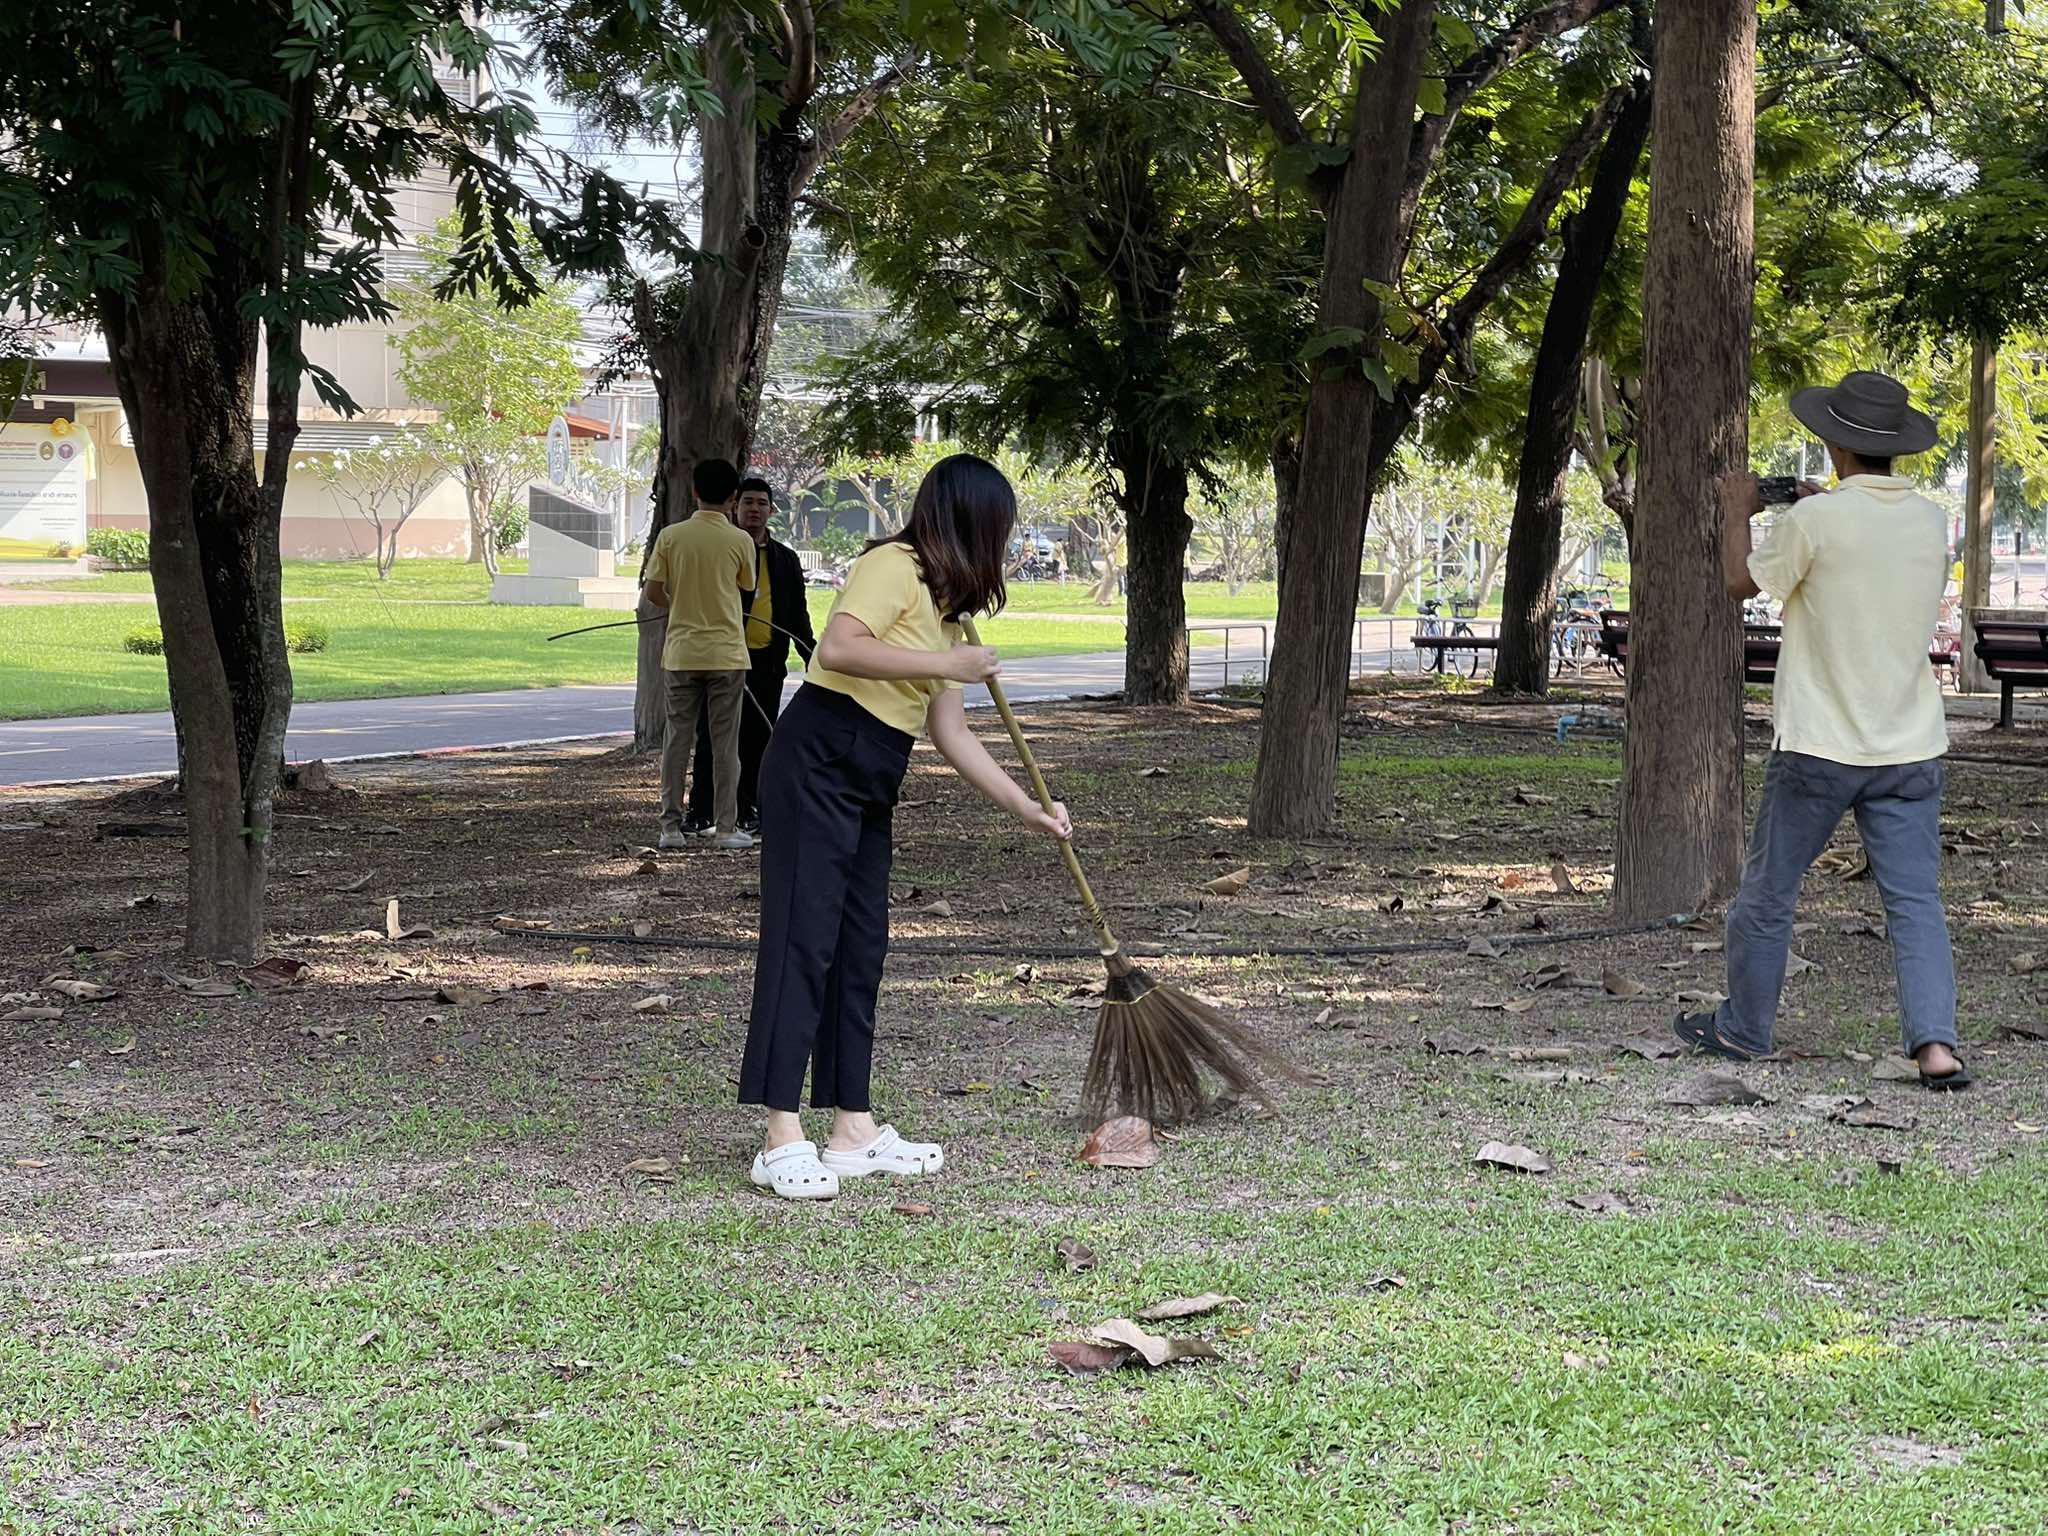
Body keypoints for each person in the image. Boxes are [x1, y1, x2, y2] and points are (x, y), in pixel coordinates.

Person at [738, 453, 1074, 1199]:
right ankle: (779, 1134)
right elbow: (838, 647)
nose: (1005, 545)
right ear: (970, 521)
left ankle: (852, 1130)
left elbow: (951, 735)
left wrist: (1027, 807)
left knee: (860, 947)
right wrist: (946, 664)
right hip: (818, 757)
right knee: (804, 939)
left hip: (872, 774)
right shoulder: (892, 565)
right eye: (1000, 529)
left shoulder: (947, 611)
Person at [1675, 369, 1967, 1089]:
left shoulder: (1815, 522)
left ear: (1833, 443)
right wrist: (1819, 509)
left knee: (1770, 890)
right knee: (1914, 901)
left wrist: (1741, 510)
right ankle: (1936, 1047)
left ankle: (1743, 1031)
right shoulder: (1931, 523)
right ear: (1895, 447)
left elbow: (1743, 582)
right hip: (1910, 743)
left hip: (1819, 744)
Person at [683, 477, 815, 836]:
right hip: (723, 658)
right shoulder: (722, 549)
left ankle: (747, 808)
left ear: (771, 510)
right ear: (734, 507)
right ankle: (701, 810)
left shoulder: (786, 559)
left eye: (761, 503)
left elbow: (796, 612)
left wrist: (809, 651)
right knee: (713, 737)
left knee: (758, 738)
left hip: (767, 662)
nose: (754, 510)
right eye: (747, 503)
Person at [641, 457, 756, 852]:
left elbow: (653, 592)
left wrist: (679, 604)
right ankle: (726, 827)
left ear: (694, 492)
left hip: (682, 652)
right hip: (726, 652)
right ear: (733, 497)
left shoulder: (671, 536)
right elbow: (747, 584)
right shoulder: (740, 540)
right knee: (726, 744)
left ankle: (670, 828)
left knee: (677, 740)